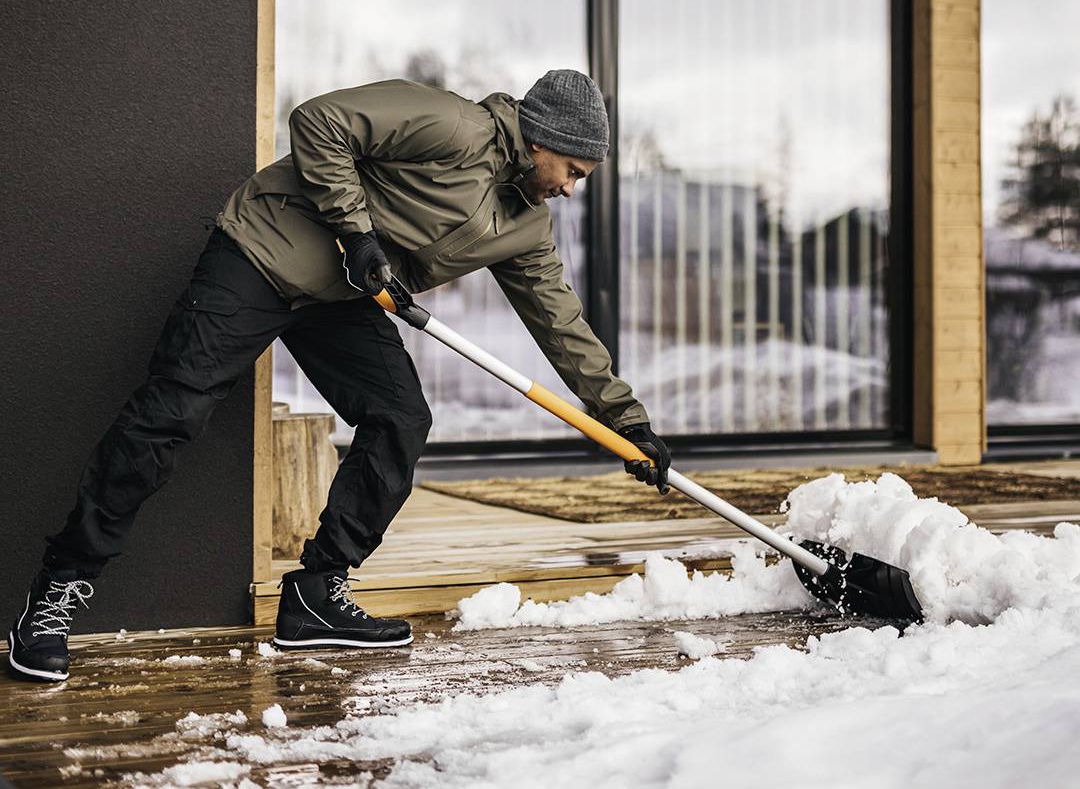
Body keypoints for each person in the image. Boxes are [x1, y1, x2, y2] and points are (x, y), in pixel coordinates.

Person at [7, 69, 670, 682]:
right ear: (541, 140)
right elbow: (320, 120)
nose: (570, 188)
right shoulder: (453, 126)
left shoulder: (526, 227)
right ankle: (58, 589)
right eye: (571, 170)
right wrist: (356, 231)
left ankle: (316, 593)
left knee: (400, 419)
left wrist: (627, 420)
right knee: (170, 415)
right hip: (263, 253)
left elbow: (562, 324)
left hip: (344, 297)